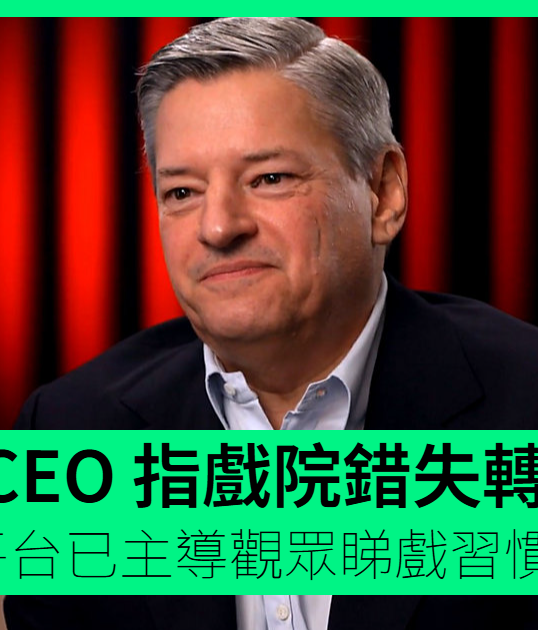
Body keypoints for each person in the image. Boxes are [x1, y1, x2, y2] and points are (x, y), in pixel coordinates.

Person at [5, 16, 538, 630]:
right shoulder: (71, 432)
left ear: (383, 193)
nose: (218, 227)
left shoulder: (523, 403)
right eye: (182, 192)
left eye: (269, 179)